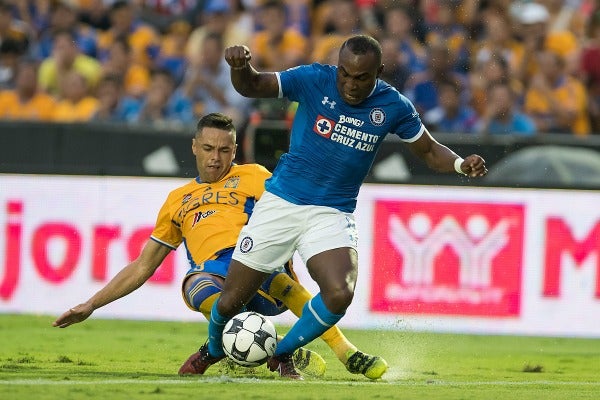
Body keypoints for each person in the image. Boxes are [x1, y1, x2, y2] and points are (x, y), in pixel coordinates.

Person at [184, 34, 487, 380]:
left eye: (361, 78)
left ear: (379, 72)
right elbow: (252, 85)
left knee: (340, 293)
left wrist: (461, 164)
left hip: (331, 213)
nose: (350, 84)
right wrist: (241, 67)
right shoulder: (313, 79)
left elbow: (430, 151)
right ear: (338, 66)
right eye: (345, 73)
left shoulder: (393, 106)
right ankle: (209, 351)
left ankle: (282, 353)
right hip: (281, 203)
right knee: (228, 302)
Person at [53, 112, 388, 380]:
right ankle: (270, 352)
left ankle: (347, 353)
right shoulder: (176, 200)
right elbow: (143, 266)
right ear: (194, 147)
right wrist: (91, 304)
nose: (216, 158)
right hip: (213, 276)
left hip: (258, 265)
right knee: (194, 285)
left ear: (235, 150)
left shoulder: (256, 176)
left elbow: (296, 212)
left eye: (225, 150)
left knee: (279, 279)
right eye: (209, 149)